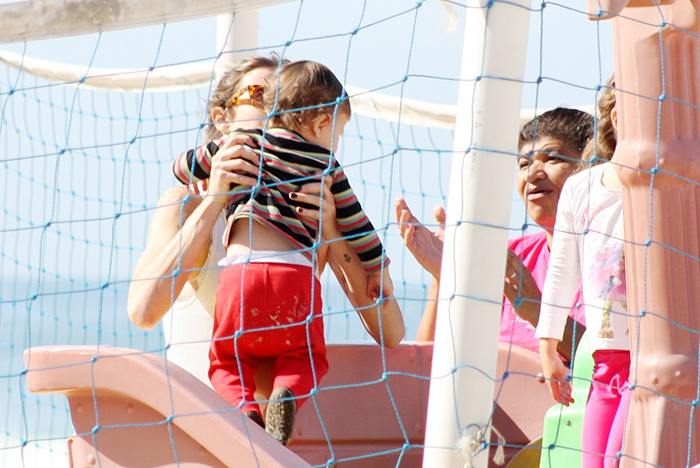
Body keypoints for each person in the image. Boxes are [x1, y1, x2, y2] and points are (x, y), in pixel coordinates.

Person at [128, 56, 403, 415]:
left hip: (274, 439)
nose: (273, 105)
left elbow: (390, 331)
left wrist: (332, 231)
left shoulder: (312, 199)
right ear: (221, 119)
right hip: (195, 423)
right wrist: (215, 201)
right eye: (259, 94)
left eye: (281, 94)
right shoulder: (185, 203)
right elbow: (143, 311)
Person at [396, 107, 593, 362]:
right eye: (524, 164)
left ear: (593, 167)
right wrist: (443, 277)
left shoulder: (619, 260)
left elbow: (619, 366)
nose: (532, 174)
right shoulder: (508, 257)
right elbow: (426, 365)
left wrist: (537, 312)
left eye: (553, 159)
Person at [536, 85, 628, 468]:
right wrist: (547, 344)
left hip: (651, 365)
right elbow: (561, 269)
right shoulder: (581, 187)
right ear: (618, 117)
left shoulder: (672, 184)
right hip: (605, 361)